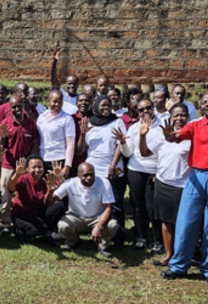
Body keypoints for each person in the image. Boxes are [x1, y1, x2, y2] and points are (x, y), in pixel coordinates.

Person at [160, 92, 208, 288]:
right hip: (197, 176)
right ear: (200, 108)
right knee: (186, 221)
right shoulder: (196, 125)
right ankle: (178, 265)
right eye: (205, 102)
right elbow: (176, 137)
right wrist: (169, 135)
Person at [139, 103, 192, 267]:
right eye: (175, 115)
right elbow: (145, 153)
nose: (179, 118)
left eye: (182, 114)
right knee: (166, 221)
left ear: (188, 117)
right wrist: (142, 136)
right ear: (170, 117)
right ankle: (169, 255)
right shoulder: (160, 134)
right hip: (163, 183)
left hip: (184, 185)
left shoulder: (192, 134)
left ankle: (184, 255)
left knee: (184, 222)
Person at [78, 96, 127, 247]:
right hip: (94, 169)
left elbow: (120, 144)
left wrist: (112, 165)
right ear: (96, 105)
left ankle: (118, 237)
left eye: (108, 105)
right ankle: (97, 234)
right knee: (96, 203)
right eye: (102, 105)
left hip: (113, 169)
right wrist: (83, 133)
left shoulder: (118, 121)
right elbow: (81, 149)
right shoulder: (89, 122)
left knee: (115, 202)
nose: (106, 108)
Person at [115, 99, 163, 253]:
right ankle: (141, 238)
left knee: (152, 207)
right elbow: (128, 152)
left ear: (153, 108)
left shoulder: (163, 125)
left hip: (154, 170)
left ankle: (157, 240)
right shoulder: (134, 128)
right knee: (138, 206)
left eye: (148, 108)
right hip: (135, 169)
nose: (145, 112)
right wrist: (123, 143)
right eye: (141, 110)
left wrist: (160, 171)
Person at [55, 162, 119, 257]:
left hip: (97, 217)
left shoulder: (104, 182)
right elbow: (51, 200)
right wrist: (50, 191)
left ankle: (102, 245)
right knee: (63, 225)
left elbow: (108, 208)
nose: (89, 177)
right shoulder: (70, 183)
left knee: (113, 225)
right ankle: (74, 242)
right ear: (78, 176)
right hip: (76, 217)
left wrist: (98, 226)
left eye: (91, 174)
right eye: (85, 175)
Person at [0, 96, 40, 230]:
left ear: (23, 106)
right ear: (10, 108)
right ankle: (5, 222)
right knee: (6, 194)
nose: (17, 109)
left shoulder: (31, 124)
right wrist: (2, 138)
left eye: (19, 106)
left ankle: (22, 220)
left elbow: (35, 143)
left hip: (25, 166)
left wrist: (29, 162)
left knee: (24, 194)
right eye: (14, 107)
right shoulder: (5, 123)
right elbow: (0, 147)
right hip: (9, 164)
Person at [8, 156, 63, 244]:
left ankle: (48, 232)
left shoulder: (46, 180)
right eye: (33, 167)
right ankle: (19, 231)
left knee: (59, 205)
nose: (37, 170)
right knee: (37, 231)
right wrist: (17, 174)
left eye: (40, 167)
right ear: (27, 169)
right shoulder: (23, 178)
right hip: (21, 214)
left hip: (38, 212)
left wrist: (50, 190)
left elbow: (47, 202)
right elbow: (10, 188)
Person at [37, 90, 76, 178]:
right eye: (54, 101)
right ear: (48, 101)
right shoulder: (41, 117)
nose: (57, 104)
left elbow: (70, 144)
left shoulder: (67, 119)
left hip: (59, 160)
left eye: (60, 102)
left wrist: (67, 166)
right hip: (43, 158)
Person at [71, 93, 93, 177]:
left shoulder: (95, 120)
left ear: (91, 103)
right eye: (81, 100)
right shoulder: (71, 119)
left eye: (86, 100)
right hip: (75, 162)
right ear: (76, 103)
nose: (83, 102)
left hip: (91, 161)